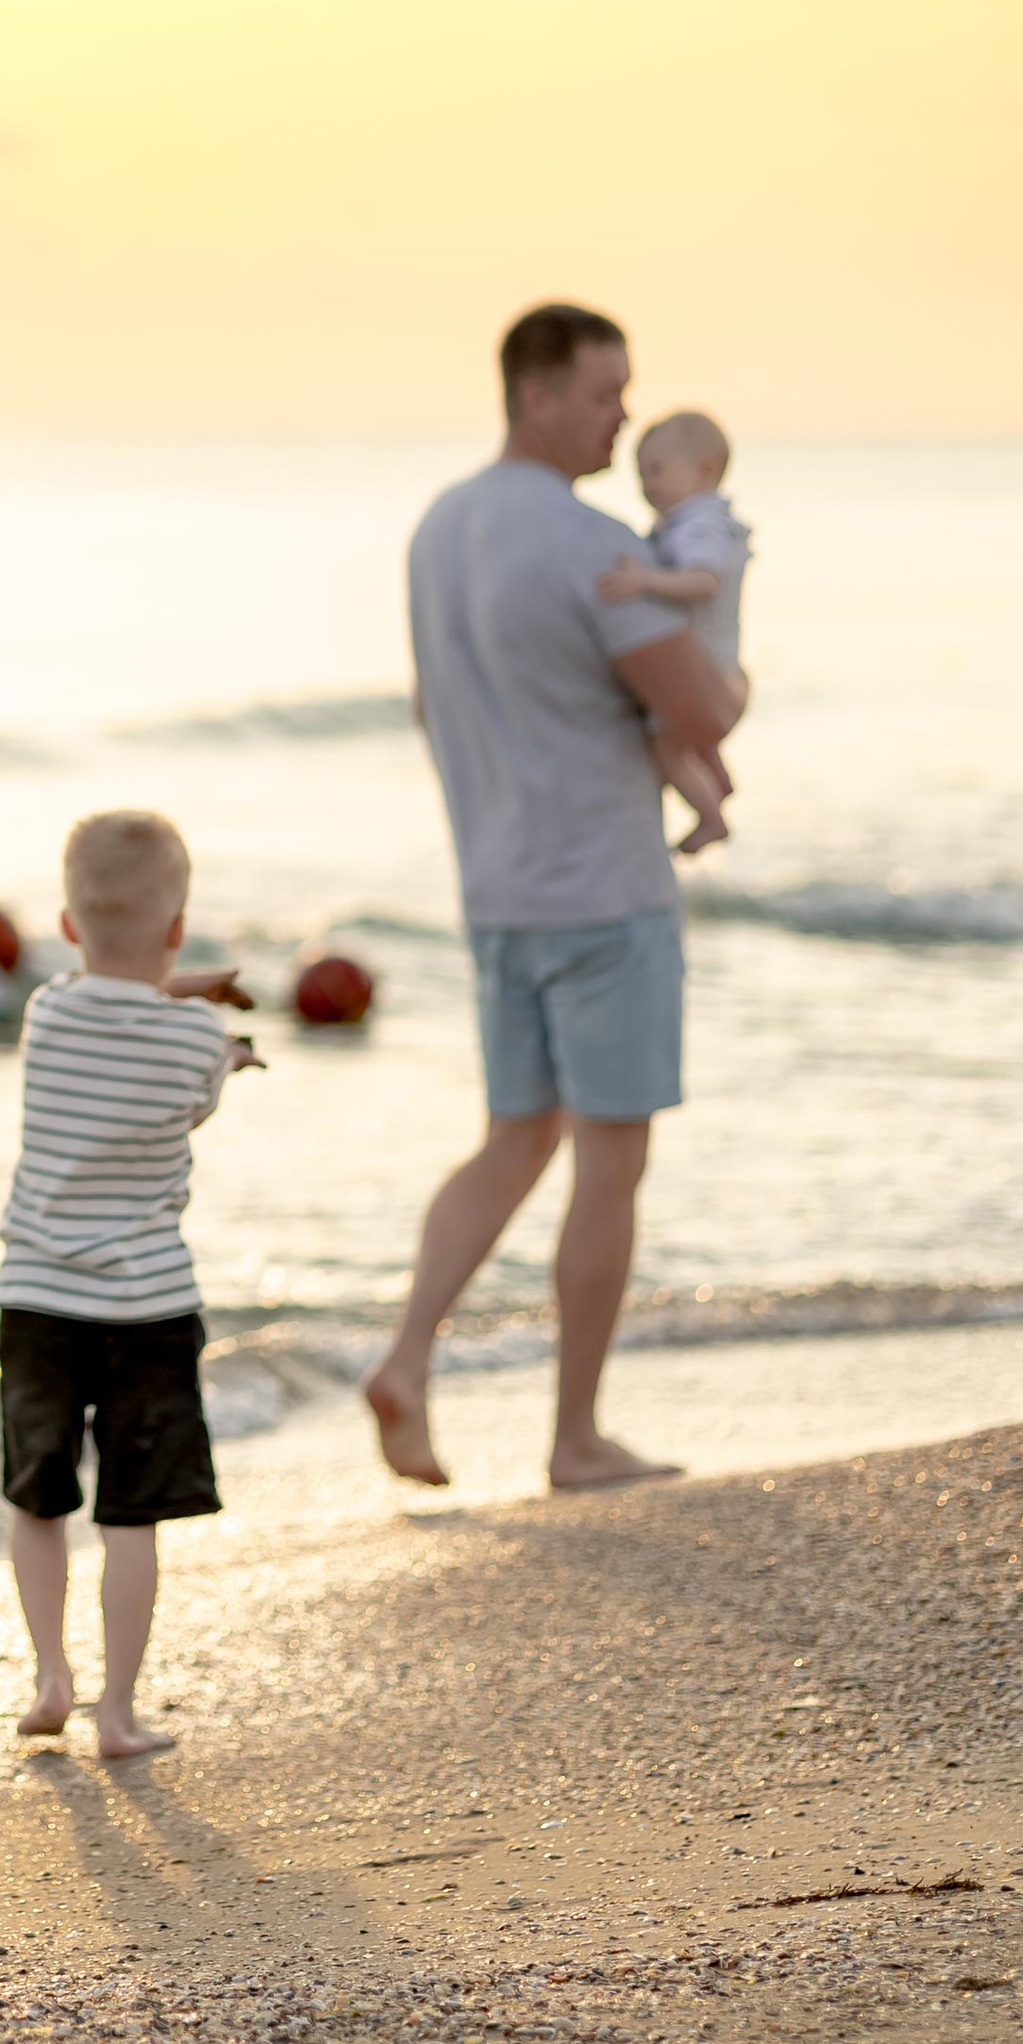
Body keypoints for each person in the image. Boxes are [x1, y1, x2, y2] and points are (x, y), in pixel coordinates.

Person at [363, 304, 738, 1497]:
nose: (622, 413)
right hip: (602, 891)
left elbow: (433, 706)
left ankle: (407, 1357)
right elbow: (702, 708)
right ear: (534, 395)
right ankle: (574, 1439)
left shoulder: (438, 529)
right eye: (601, 392)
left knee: (513, 1139)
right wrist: (726, 685)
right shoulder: (589, 542)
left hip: (497, 890)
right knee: (607, 1167)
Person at [0, 808, 257, 1759]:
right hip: (145, 1307)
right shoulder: (195, 1040)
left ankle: (48, 1676)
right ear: (178, 929)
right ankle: (117, 1712)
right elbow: (194, 1084)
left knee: (38, 1499)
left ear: (68, 926)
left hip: (36, 1301)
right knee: (131, 1514)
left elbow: (119, 998)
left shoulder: (47, 1014)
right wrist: (228, 1045)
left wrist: (186, 995)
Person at [595, 409, 752, 854]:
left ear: (705, 471)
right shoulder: (691, 522)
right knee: (688, 737)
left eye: (657, 471)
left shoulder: (701, 525)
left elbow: (704, 583)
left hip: (705, 666)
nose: (647, 485)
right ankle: (717, 781)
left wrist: (645, 581)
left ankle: (710, 819)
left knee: (666, 745)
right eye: (641, 475)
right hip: (713, 664)